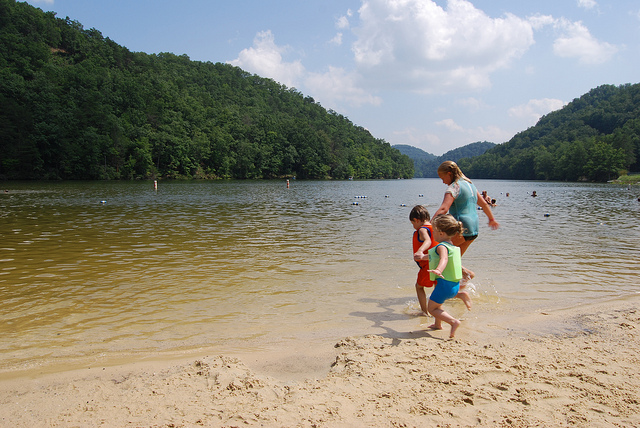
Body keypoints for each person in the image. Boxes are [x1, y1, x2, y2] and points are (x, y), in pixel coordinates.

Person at [410, 205, 472, 314]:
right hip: (438, 265)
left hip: (429, 266)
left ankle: (425, 312)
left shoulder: (422, 230)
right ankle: (439, 313)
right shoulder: (437, 229)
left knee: (419, 287)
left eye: (413, 223)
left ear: (416, 220)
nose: (414, 226)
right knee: (439, 289)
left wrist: (420, 251)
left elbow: (428, 241)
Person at [433, 161, 499, 257]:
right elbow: (484, 205)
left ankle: (467, 273)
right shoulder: (471, 185)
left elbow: (444, 209)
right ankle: (469, 273)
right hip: (474, 228)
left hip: (461, 228)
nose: (443, 182)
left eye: (443, 178)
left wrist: (430, 225)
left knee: (438, 255)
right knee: (454, 259)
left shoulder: (454, 187)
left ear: (449, 173)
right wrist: (492, 219)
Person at [426, 215, 468, 338]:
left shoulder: (441, 247)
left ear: (441, 233)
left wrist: (438, 270)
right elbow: (440, 257)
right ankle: (437, 324)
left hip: (444, 285)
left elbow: (443, 259)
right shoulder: (453, 247)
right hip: (454, 285)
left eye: (433, 231)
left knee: (432, 308)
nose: (432, 233)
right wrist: (423, 257)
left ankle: (453, 322)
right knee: (438, 303)